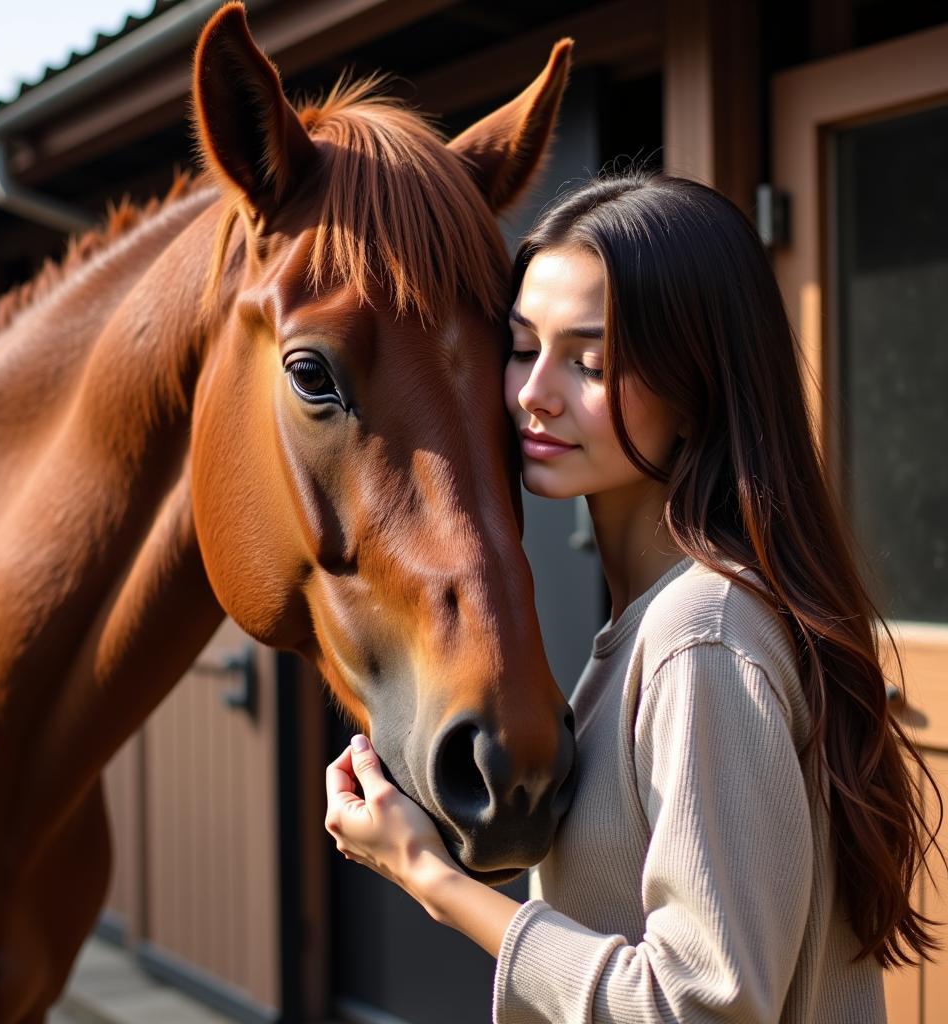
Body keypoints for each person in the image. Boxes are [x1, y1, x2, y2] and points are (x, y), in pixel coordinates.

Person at [323, 172, 940, 1022]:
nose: (535, 393)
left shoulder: (702, 637)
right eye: (520, 346)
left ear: (695, 391)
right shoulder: (658, 622)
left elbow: (703, 1003)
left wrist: (428, 877)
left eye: (590, 362)